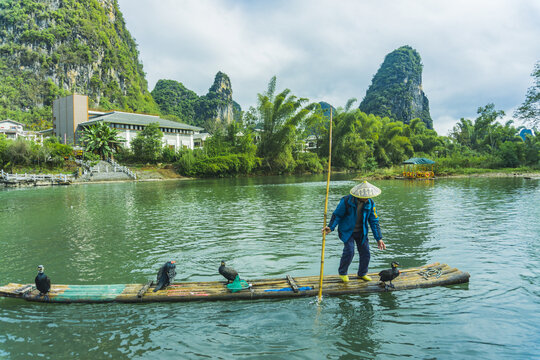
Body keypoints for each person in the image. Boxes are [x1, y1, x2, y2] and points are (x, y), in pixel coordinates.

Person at [322, 181, 386, 282]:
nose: (366, 198)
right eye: (364, 196)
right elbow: (337, 215)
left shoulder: (370, 203)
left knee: (366, 252)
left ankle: (362, 273)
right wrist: (331, 227)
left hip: (361, 232)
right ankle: (343, 273)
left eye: (368, 196)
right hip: (347, 231)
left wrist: (379, 238)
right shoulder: (347, 201)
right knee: (349, 251)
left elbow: (374, 221)